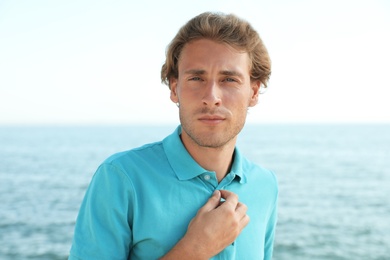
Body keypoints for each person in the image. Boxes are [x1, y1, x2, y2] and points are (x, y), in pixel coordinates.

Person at [69, 11, 278, 259]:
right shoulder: (121, 178)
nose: (211, 97)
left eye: (229, 79)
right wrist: (195, 249)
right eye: (197, 78)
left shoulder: (266, 185)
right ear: (175, 89)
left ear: (253, 92)